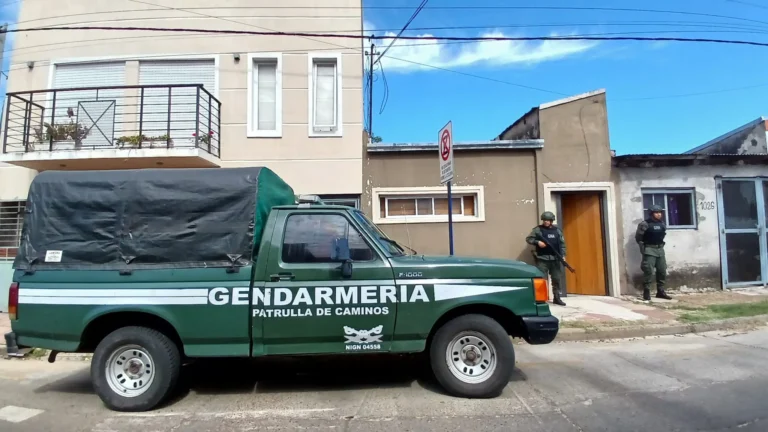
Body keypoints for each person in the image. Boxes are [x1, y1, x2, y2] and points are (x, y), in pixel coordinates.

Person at [526, 211, 567, 306]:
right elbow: (529, 239)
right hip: (542, 258)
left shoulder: (557, 231)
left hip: (555, 259)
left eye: (548, 220)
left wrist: (563, 255)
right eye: (544, 220)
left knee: (556, 279)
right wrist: (537, 242)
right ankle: (540, 298)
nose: (546, 222)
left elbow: (562, 244)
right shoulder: (538, 230)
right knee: (541, 279)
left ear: (551, 221)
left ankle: (557, 298)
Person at [635, 204, 673, 301]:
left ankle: (660, 291)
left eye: (660, 212)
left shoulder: (662, 224)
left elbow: (662, 234)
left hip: (660, 249)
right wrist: (643, 249)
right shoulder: (644, 224)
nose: (659, 214)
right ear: (652, 214)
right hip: (649, 249)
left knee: (662, 270)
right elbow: (639, 238)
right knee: (648, 271)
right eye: (656, 213)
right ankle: (646, 291)